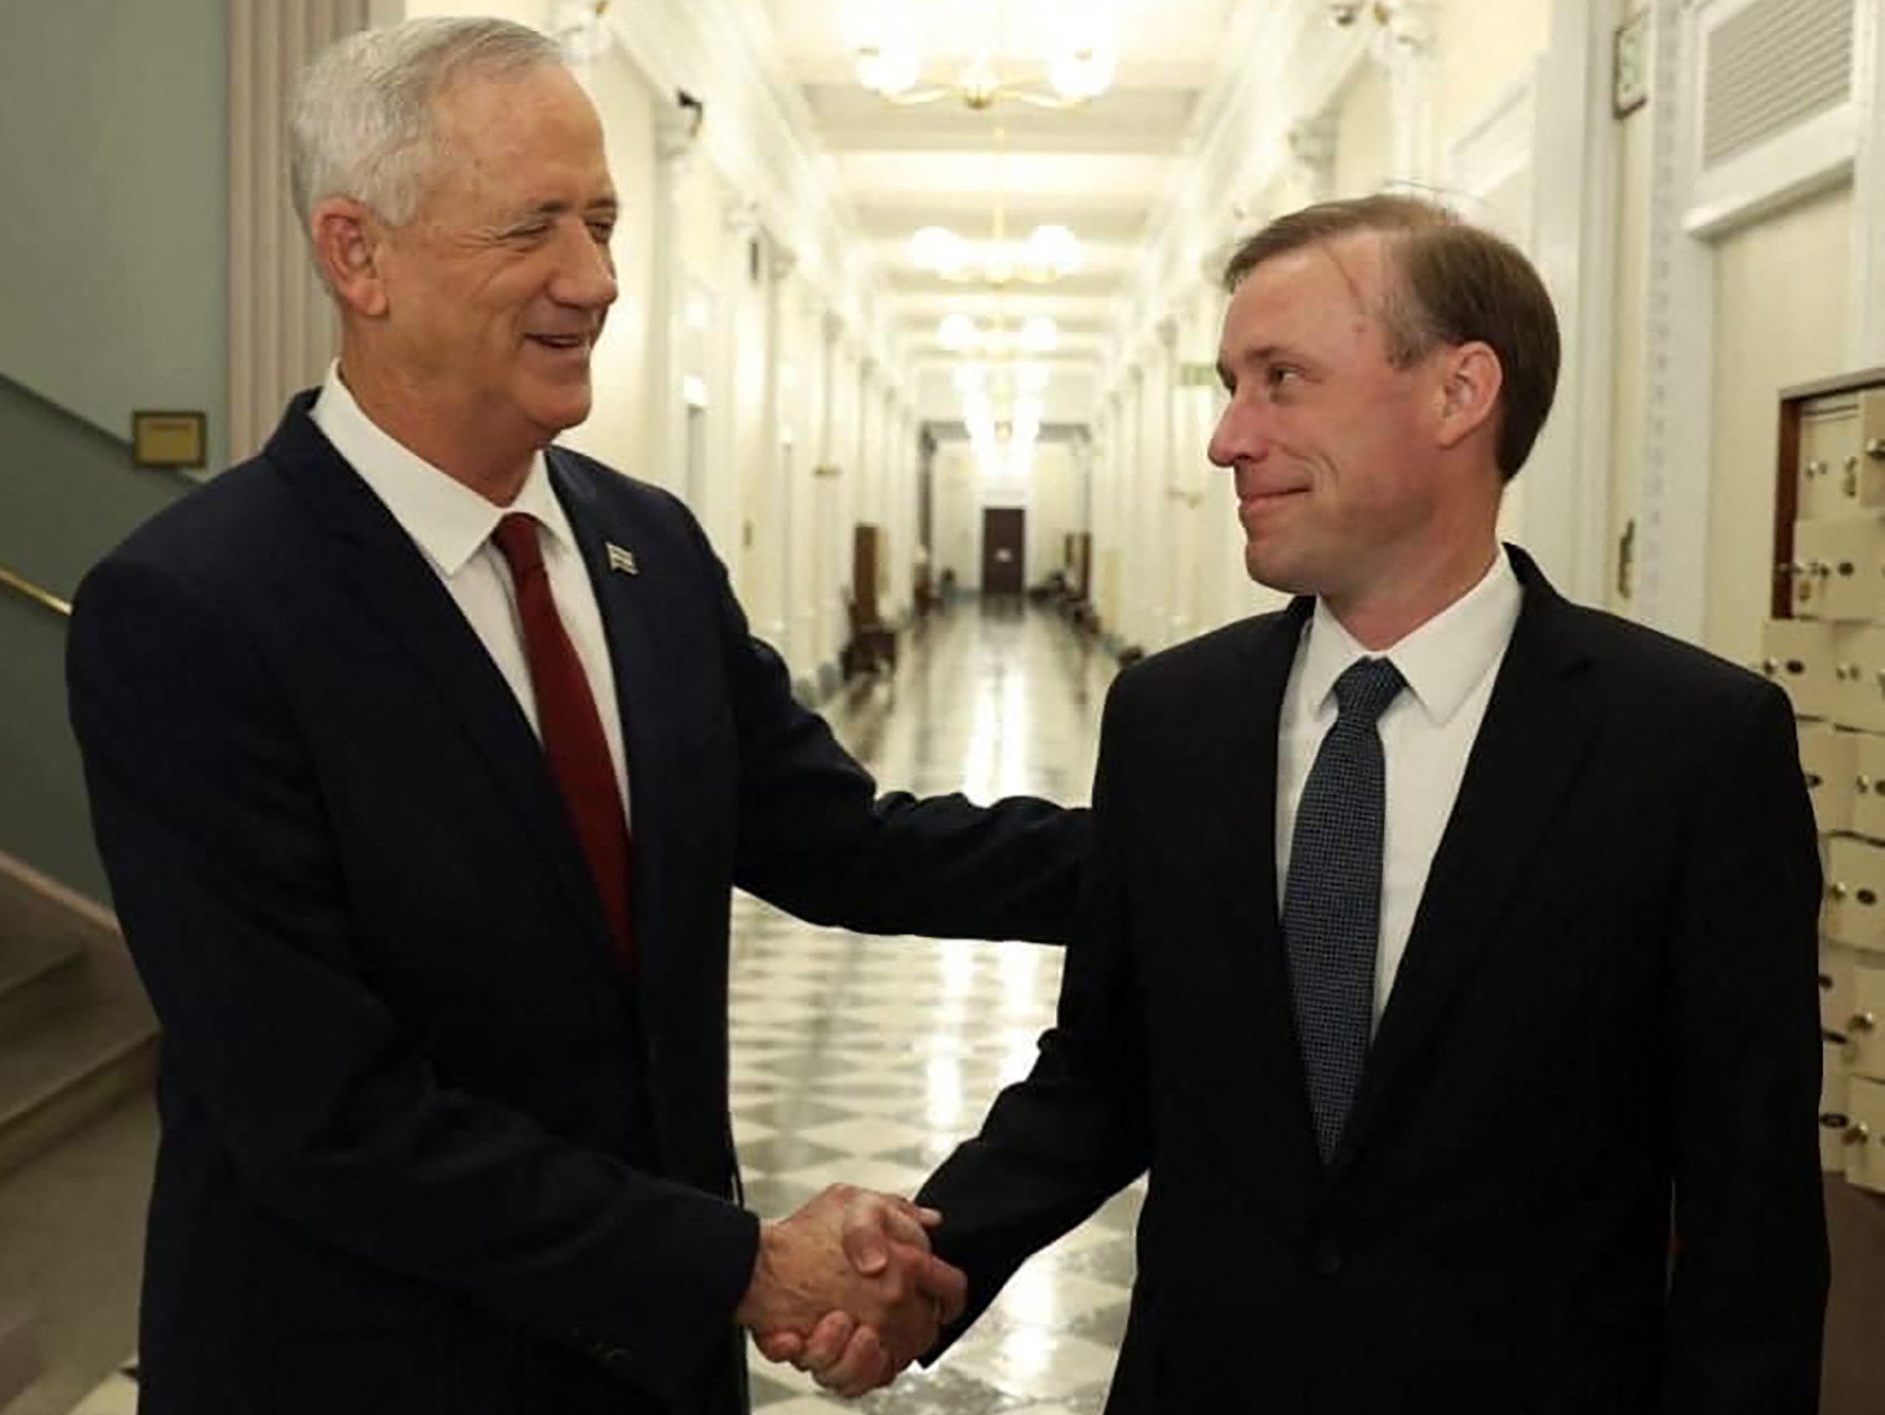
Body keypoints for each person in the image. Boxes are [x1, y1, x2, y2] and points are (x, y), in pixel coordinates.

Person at [63, 18, 1086, 1415]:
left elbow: (843, 840)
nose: (594, 278)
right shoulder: (195, 610)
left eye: (602, 220)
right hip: (358, 1362)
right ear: (356, 252)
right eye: (530, 227)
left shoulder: (642, 545)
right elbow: (322, 1114)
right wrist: (736, 1258)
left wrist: (1194, 837)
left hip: (648, 1365)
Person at [772, 195, 1829, 1410]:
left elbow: (1751, 1212)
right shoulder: (1174, 717)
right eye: (1230, 383)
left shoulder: (1689, 744)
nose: (1227, 437)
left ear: (1457, 391)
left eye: (1281, 379)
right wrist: (931, 1265)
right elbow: (1106, 1075)